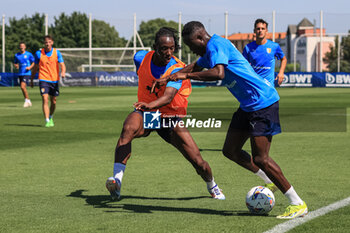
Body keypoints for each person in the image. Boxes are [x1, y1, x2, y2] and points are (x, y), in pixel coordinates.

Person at [153, 21, 307, 219]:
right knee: (230, 150)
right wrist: (171, 76)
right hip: (248, 106)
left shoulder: (217, 45)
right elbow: (195, 65)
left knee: (261, 158)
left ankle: (297, 203)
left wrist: (186, 77)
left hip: (263, 103)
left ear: (200, 38)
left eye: (192, 46)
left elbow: (218, 73)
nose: (192, 50)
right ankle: (268, 180)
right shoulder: (209, 51)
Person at [105, 27, 225, 201]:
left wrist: (149, 104)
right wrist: (147, 107)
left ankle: (212, 185)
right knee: (128, 128)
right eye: (164, 49)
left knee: (198, 162)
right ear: (155, 47)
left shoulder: (178, 68)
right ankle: (117, 182)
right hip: (148, 113)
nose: (168, 52)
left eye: (172, 48)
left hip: (169, 117)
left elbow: (168, 97)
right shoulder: (140, 57)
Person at [31, 35, 66, 128]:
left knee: (53, 101)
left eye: (49, 42)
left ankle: (50, 116)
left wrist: (63, 72)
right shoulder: (39, 53)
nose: (47, 44)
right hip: (43, 78)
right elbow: (35, 67)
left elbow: (62, 65)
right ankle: (46, 120)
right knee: (45, 98)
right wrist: (31, 79)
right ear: (44, 43)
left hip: (54, 80)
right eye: (46, 42)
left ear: (52, 43)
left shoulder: (57, 52)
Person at [243, 19, 287, 86]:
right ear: (254, 31)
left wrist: (281, 73)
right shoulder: (248, 47)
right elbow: (243, 65)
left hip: (268, 86)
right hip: (254, 85)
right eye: (258, 29)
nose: (260, 31)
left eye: (263, 28)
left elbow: (283, 59)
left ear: (266, 31)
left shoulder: (274, 46)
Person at [13, 42, 35, 107]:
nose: (22, 47)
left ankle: (26, 101)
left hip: (27, 73)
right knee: (23, 88)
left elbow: (34, 62)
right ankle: (28, 100)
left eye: (23, 46)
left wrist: (30, 67)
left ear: (25, 47)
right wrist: (16, 65)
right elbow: (15, 63)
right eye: (21, 46)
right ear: (19, 47)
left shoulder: (29, 54)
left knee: (22, 86)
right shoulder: (17, 55)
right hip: (20, 73)